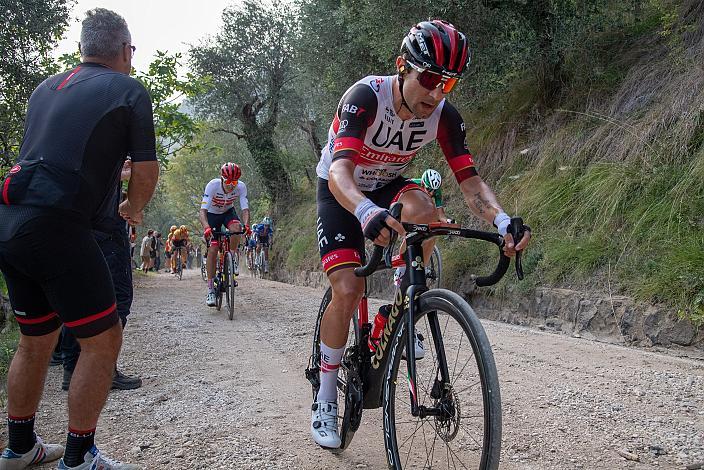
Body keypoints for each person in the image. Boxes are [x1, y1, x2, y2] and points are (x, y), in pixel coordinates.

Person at [310, 20, 531, 449]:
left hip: (389, 183)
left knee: (428, 212)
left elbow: (470, 182)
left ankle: (403, 303)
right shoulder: (366, 97)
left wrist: (503, 220)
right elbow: (340, 171)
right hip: (342, 188)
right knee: (348, 287)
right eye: (428, 79)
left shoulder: (444, 117)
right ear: (401, 67)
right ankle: (325, 395)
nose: (435, 93)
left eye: (447, 84)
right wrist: (364, 209)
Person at [0, 8, 158, 469]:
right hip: (58, 224)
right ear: (126, 50)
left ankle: (19, 448)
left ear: (82, 49)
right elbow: (145, 170)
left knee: (35, 339)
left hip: (9, 217)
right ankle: (79, 455)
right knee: (103, 340)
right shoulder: (129, 90)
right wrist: (132, 207)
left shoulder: (44, 87)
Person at [61, 161, 143, 393]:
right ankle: (103, 369)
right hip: (105, 230)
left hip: (71, 224)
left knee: (77, 297)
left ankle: (72, 367)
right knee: (118, 298)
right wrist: (133, 200)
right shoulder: (113, 133)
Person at [199, 163, 250, 307]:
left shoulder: (241, 187)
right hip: (212, 215)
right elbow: (202, 211)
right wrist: (206, 227)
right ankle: (210, 289)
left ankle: (232, 257)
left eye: (234, 182)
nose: (231, 185)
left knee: (237, 228)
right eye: (228, 181)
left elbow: (245, 209)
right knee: (213, 249)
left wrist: (246, 225)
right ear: (221, 178)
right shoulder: (213, 186)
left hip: (228, 212)